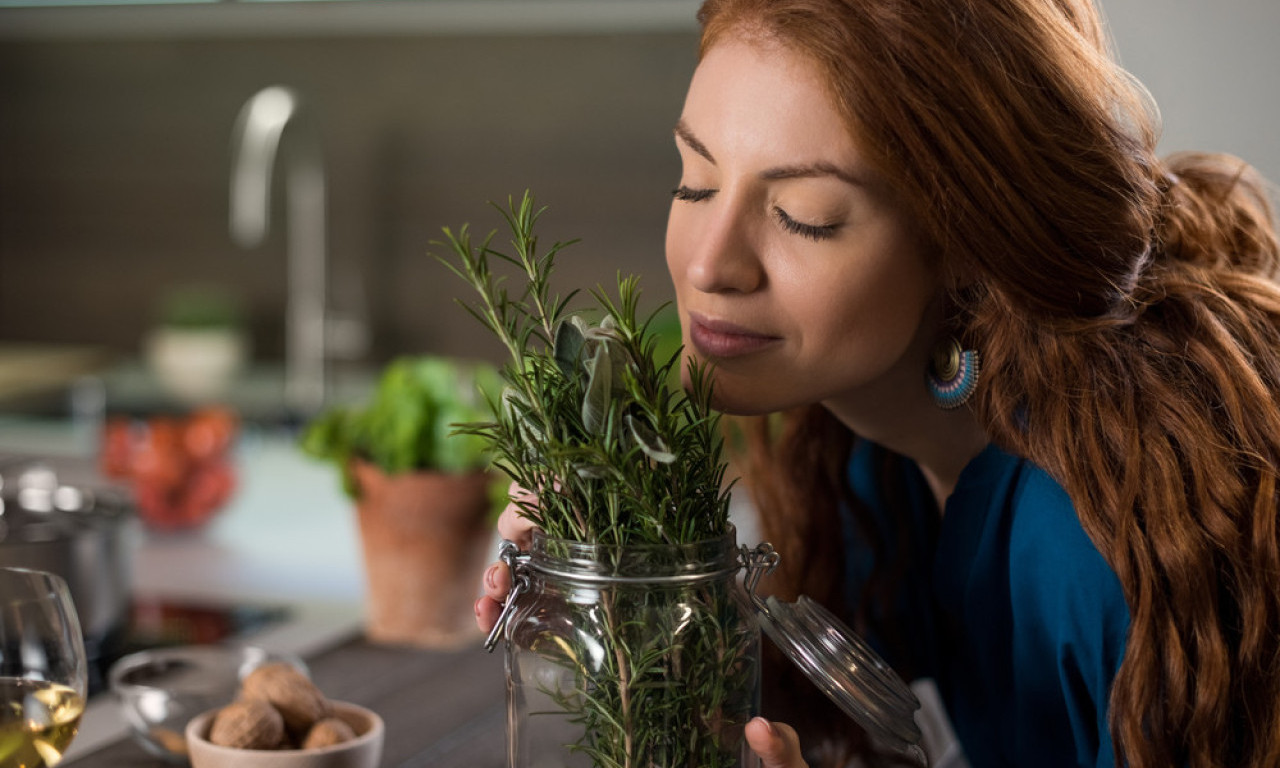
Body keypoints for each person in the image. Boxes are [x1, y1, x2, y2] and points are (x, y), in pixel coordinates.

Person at [477, 0, 1280, 766]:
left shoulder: (1088, 540)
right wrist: (616, 572)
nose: (707, 264)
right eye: (695, 180)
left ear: (968, 238)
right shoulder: (865, 447)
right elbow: (822, 708)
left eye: (806, 215)